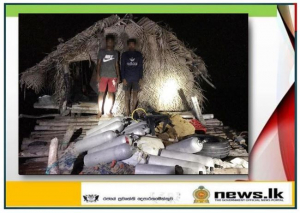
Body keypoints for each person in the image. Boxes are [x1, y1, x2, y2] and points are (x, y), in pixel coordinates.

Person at [96, 34, 120, 118]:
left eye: (111, 42)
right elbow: (98, 64)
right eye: (108, 42)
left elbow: (117, 65)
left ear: (113, 43)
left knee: (111, 93)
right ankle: (99, 111)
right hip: (103, 75)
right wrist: (98, 74)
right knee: (101, 93)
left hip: (113, 76)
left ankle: (108, 111)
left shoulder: (115, 53)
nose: (109, 43)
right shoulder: (102, 52)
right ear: (106, 42)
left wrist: (118, 76)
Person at [121, 38, 143, 116]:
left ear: (135, 45)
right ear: (128, 45)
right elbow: (122, 66)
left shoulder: (139, 55)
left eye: (132, 44)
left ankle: (133, 111)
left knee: (135, 95)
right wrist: (123, 78)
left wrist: (141, 78)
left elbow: (140, 67)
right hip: (127, 78)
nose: (131, 46)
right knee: (127, 95)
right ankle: (127, 111)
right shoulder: (124, 54)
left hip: (136, 78)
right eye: (130, 44)